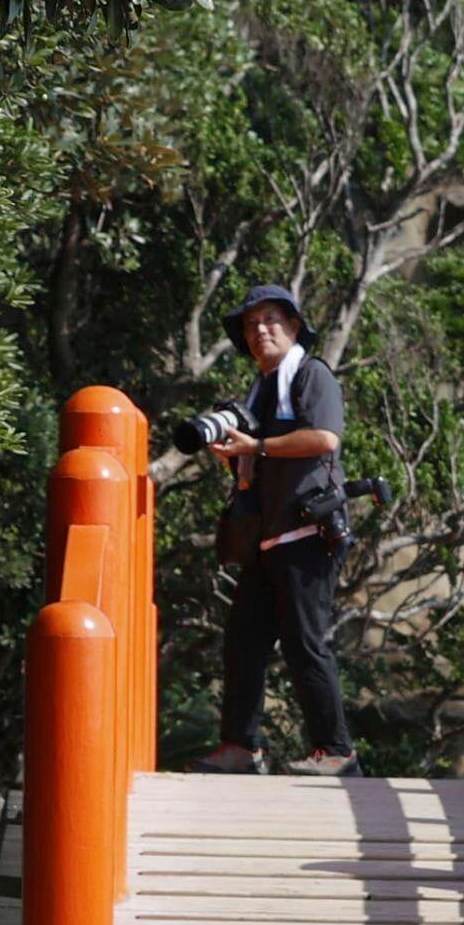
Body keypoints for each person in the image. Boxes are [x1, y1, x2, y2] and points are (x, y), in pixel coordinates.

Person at [198, 284, 357, 777]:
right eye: (250, 325)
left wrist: (258, 445)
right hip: (267, 538)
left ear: (293, 327)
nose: (259, 330)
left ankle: (337, 752)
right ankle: (241, 747)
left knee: (304, 642)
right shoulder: (261, 390)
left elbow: (324, 437)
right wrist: (239, 453)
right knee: (243, 641)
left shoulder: (311, 375)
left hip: (307, 533)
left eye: (270, 320)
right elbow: (259, 459)